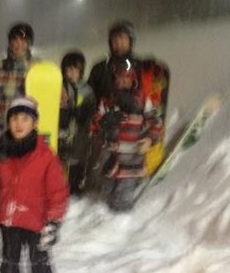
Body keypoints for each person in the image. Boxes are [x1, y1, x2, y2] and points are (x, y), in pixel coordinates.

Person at [0, 97, 68, 273]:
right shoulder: (2, 152)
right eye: (14, 118)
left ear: (34, 123)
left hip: (37, 221)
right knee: (9, 263)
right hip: (9, 219)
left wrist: (53, 220)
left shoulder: (45, 155)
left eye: (25, 118)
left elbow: (58, 190)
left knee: (39, 263)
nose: (19, 123)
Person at [90, 65, 162, 212]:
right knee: (105, 193)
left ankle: (121, 220)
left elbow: (156, 122)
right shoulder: (107, 101)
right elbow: (94, 123)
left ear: (133, 79)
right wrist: (105, 120)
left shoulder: (142, 100)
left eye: (126, 77)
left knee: (121, 200)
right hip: (110, 156)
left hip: (132, 158)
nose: (122, 81)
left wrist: (149, 138)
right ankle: (103, 218)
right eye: (119, 77)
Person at [85, 20, 144, 190]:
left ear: (131, 41)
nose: (118, 43)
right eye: (115, 40)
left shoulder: (141, 68)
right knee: (105, 172)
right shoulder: (100, 69)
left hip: (133, 130)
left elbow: (148, 101)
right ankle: (101, 179)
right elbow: (91, 101)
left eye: (123, 39)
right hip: (106, 128)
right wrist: (102, 118)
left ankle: (131, 179)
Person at [58, 50, 95, 194]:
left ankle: (74, 185)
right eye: (69, 70)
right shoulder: (59, 87)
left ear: (81, 71)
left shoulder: (86, 90)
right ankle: (60, 183)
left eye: (75, 70)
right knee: (61, 158)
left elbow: (91, 109)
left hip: (80, 132)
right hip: (63, 129)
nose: (72, 73)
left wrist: (81, 114)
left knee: (77, 158)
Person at [0, 22, 36, 127]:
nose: (19, 44)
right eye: (15, 40)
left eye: (23, 40)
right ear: (10, 43)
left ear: (29, 44)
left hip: (24, 129)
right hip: (2, 126)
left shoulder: (36, 69)